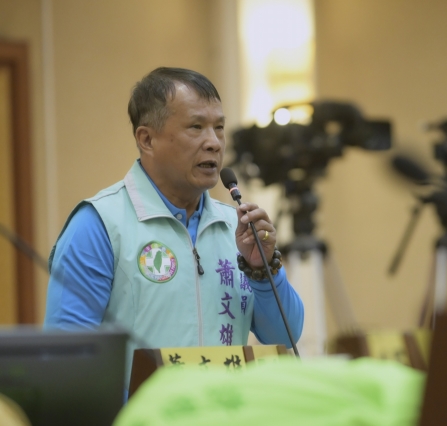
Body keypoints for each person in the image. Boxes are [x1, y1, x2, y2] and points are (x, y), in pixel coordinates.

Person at [44, 67, 304, 355]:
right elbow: (66, 355)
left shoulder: (237, 227)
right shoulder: (99, 224)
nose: (214, 143)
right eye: (196, 127)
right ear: (147, 140)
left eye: (219, 128)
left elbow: (285, 337)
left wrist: (262, 270)